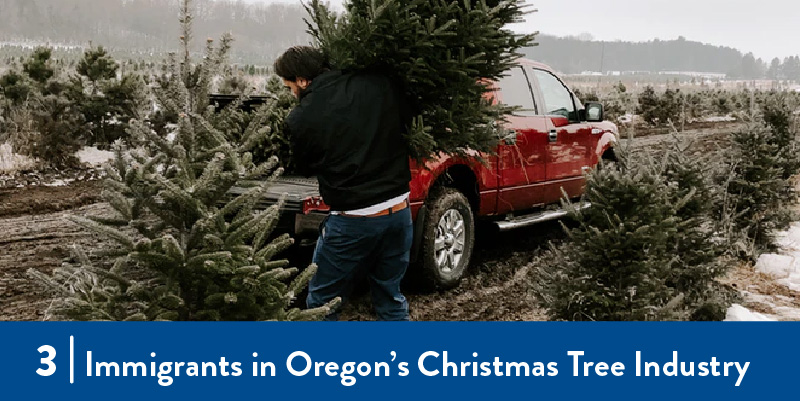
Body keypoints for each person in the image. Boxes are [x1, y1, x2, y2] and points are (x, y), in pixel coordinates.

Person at [274, 46, 413, 321]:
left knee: (322, 302)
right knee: (391, 298)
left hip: (354, 220)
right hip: (399, 211)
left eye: (290, 86)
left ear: (302, 80)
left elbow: (304, 167)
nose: (291, 93)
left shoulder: (302, 117)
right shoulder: (378, 83)